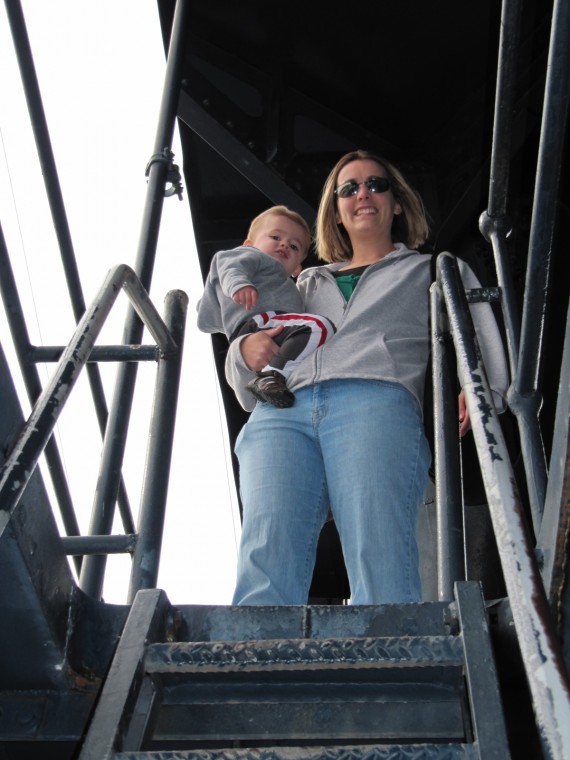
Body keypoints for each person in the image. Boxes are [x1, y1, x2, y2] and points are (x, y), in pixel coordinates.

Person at [225, 149, 509, 606]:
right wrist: (243, 353)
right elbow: (250, 349)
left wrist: (483, 390)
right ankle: (254, 665)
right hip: (282, 412)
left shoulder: (430, 269)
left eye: (376, 184)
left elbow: (475, 320)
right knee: (265, 547)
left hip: (373, 402)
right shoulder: (301, 282)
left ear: (397, 203)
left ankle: (394, 665)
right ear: (336, 210)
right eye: (348, 188)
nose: (363, 194)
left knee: (379, 548)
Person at [197, 205, 335, 408]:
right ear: (249, 245)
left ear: (297, 269)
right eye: (276, 237)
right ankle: (271, 377)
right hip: (263, 321)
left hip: (271, 330)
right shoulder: (249, 258)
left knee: (309, 335)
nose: (285, 245)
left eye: (294, 246)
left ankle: (266, 382)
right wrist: (239, 285)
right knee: (318, 326)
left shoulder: (287, 286)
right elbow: (229, 266)